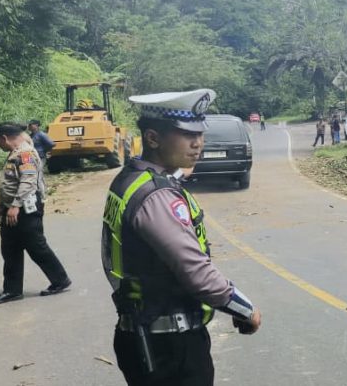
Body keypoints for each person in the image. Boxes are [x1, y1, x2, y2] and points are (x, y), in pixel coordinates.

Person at [102, 89, 261, 385]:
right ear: (153, 138)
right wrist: (245, 309)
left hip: (140, 332)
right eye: (187, 135)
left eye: (199, 134)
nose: (198, 143)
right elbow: (197, 273)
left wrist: (176, 172)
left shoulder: (131, 178)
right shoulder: (158, 197)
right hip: (170, 348)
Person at [0, 122, 71, 305]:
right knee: (10, 249)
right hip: (12, 208)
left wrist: (15, 205)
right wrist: (2, 206)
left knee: (36, 247)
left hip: (25, 210)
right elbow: (11, 183)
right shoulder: (16, 152)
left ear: (4, 138)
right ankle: (12, 290)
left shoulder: (25, 154)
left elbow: (28, 181)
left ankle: (60, 280)